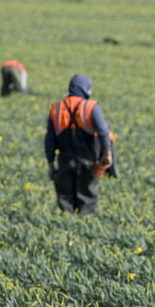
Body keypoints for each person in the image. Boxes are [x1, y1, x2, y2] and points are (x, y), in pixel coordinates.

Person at [45, 75, 115, 215]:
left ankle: (66, 229)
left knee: (65, 199)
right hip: (88, 161)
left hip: (65, 160)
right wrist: (107, 152)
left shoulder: (56, 108)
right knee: (87, 198)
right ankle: (83, 228)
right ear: (84, 89)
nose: (90, 92)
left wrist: (51, 163)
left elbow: (49, 140)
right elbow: (103, 131)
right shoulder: (90, 107)